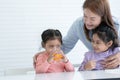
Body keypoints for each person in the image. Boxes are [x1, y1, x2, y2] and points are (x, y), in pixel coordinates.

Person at [34, 0, 120, 69]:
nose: (87, 22)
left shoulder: (116, 25)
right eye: (85, 16)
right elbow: (64, 46)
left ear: (103, 17)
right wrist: (45, 53)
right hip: (96, 70)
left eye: (92, 19)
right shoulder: (79, 24)